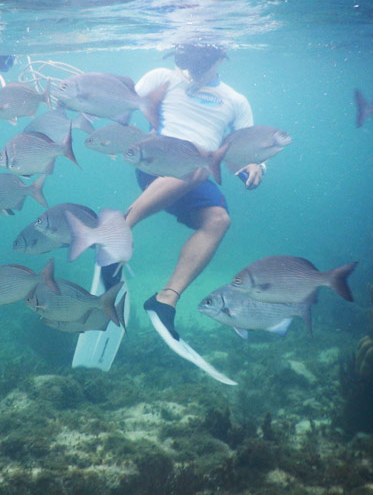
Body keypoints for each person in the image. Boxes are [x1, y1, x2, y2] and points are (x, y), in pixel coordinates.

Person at [102, 43, 264, 341]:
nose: (194, 68)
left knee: (219, 220)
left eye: (201, 61)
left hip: (197, 173)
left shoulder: (235, 100)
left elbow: (247, 147)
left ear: (219, 58)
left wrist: (256, 166)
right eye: (189, 60)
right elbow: (122, 107)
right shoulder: (162, 76)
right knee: (198, 164)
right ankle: (119, 232)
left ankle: (165, 300)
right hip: (155, 164)